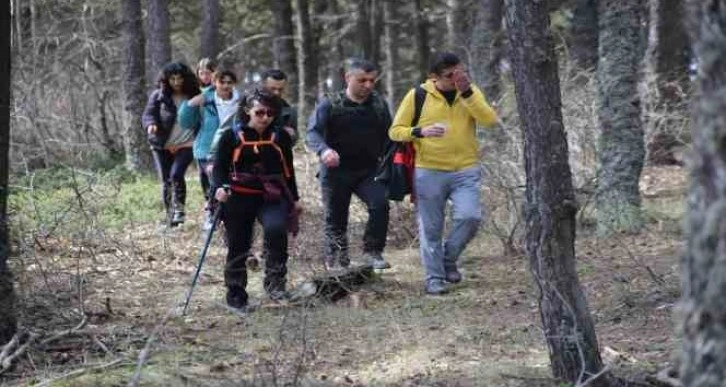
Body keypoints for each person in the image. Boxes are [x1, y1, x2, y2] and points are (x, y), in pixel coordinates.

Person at [389, 52, 499, 295]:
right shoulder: (417, 95)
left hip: (466, 169)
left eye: (460, 72)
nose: (457, 78)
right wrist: (420, 131)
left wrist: (468, 93)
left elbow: (490, 120)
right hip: (429, 171)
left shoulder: (469, 91)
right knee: (431, 229)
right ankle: (434, 278)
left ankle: (448, 259)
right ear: (434, 77)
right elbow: (395, 131)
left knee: (470, 217)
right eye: (450, 75)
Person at [210, 90, 302, 309]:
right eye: (259, 112)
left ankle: (276, 285)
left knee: (276, 230)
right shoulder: (230, 136)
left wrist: (295, 199)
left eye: (270, 112)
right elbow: (219, 168)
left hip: (270, 195)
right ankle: (236, 295)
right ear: (247, 111)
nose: (265, 117)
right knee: (238, 244)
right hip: (238, 197)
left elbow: (288, 170)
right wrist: (219, 189)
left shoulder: (280, 137)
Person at [305, 58, 392, 271]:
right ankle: (336, 260)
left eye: (372, 80)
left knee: (380, 203)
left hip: (368, 170)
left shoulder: (379, 104)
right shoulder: (330, 103)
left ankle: (372, 252)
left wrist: (393, 162)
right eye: (362, 80)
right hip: (336, 171)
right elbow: (312, 133)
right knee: (336, 217)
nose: (368, 85)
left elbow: (390, 135)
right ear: (348, 78)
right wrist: (324, 150)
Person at [179, 69, 241, 231]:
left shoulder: (240, 101)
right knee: (212, 181)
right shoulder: (205, 98)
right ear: (215, 83)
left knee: (227, 181)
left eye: (229, 82)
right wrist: (190, 105)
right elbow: (185, 122)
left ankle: (225, 215)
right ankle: (212, 214)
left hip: (233, 147)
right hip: (207, 148)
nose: (226, 86)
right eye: (222, 82)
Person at [142, 61, 200, 227]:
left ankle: (180, 210)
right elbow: (148, 114)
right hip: (162, 144)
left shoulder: (194, 95)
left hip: (187, 143)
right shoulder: (158, 95)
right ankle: (169, 216)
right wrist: (151, 125)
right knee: (166, 180)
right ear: (166, 79)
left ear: (185, 78)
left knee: (176, 174)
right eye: (172, 79)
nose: (176, 82)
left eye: (179, 78)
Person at [259, 69, 298, 143]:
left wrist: (292, 135)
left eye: (280, 89)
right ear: (263, 86)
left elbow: (292, 141)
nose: (276, 93)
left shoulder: (290, 113)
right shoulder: (249, 107)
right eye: (272, 88)